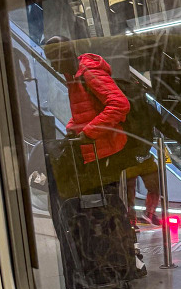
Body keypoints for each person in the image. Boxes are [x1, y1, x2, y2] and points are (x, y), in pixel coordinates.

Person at [44, 35, 129, 186]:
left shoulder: (89, 72)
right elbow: (85, 108)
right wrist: (72, 127)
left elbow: (120, 104)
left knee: (106, 201)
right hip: (96, 150)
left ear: (66, 54)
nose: (53, 66)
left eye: (54, 60)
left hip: (106, 150)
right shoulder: (73, 76)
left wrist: (89, 131)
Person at [120, 81, 181, 227]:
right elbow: (164, 127)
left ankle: (143, 216)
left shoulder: (143, 110)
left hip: (139, 156)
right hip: (131, 157)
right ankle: (133, 219)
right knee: (133, 191)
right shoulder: (137, 109)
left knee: (145, 188)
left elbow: (163, 126)